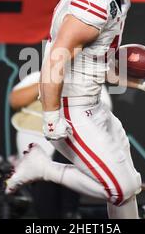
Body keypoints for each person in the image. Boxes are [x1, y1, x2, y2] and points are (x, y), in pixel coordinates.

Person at [5, 0, 145, 219]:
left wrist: (138, 83)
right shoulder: (93, 2)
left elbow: (97, 65)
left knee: (129, 187)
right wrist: (52, 116)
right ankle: (42, 167)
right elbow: (55, 59)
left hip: (90, 103)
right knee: (119, 188)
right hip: (72, 108)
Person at [10, 71, 113, 218]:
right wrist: (49, 83)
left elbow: (103, 111)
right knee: (44, 202)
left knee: (67, 196)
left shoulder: (88, 79)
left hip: (69, 146)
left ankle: (69, 213)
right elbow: (15, 100)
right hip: (37, 148)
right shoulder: (39, 76)